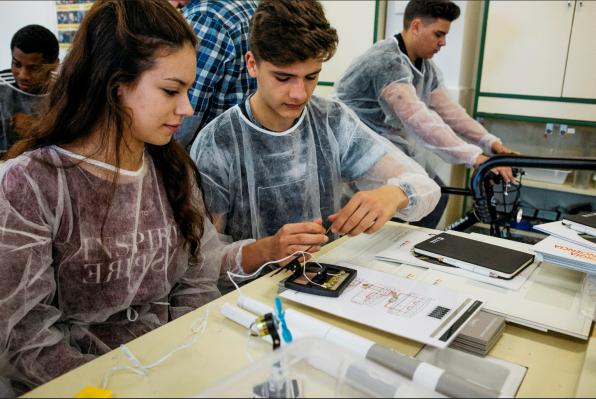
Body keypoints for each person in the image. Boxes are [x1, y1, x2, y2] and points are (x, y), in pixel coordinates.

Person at [0, 0, 254, 392]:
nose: (187, 107)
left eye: (187, 89)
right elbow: (23, 337)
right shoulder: (29, 185)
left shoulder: (174, 171)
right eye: (171, 90)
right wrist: (115, 388)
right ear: (114, 86)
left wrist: (180, 362)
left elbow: (197, 281)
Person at [190, 0, 441, 286]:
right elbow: (200, 264)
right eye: (283, 78)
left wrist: (394, 194)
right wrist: (267, 250)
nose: (299, 93)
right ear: (252, 64)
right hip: (247, 300)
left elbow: (426, 187)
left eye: (311, 77)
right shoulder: (218, 142)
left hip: (325, 282)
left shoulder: (331, 121)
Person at [334, 0, 518, 228]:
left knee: (434, 196)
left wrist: (490, 143)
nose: (443, 42)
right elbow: (418, 120)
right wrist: (474, 157)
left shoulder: (425, 67)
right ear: (417, 26)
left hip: (388, 146)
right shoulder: (385, 61)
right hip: (359, 151)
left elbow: (451, 113)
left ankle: (406, 252)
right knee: (405, 207)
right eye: (439, 34)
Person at [173, 0, 257, 147]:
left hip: (206, 157)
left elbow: (181, 126)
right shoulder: (243, 4)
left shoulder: (206, 18)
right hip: (241, 148)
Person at [0, 25, 59, 154]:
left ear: (54, 65)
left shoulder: (63, 91)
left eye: (35, 68)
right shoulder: (2, 86)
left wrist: (36, 129)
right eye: (16, 64)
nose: (22, 76)